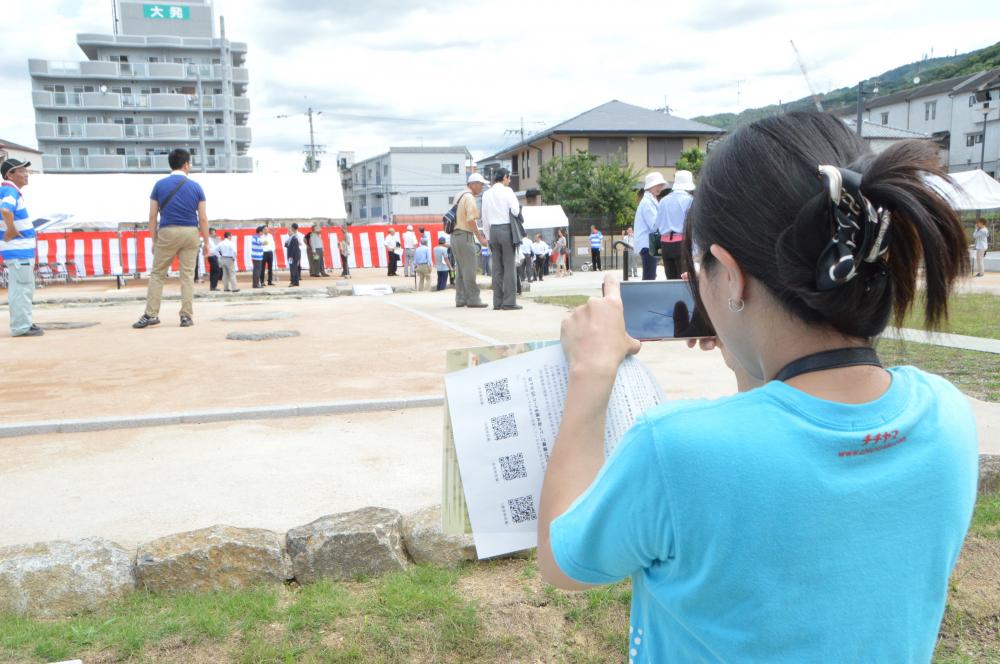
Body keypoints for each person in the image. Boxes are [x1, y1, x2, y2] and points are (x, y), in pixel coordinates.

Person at [538, 112, 976, 662]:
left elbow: (564, 560)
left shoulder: (675, 449)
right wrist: (750, 358)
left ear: (730, 271)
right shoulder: (948, 416)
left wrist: (590, 373)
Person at [133, 148, 210, 329]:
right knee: (187, 275)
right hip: (191, 232)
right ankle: (186, 316)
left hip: (167, 232)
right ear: (185, 165)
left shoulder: (159, 185)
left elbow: (152, 216)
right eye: (189, 163)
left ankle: (151, 314)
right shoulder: (196, 187)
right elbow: (203, 218)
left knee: (158, 274)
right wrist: (207, 242)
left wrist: (153, 239)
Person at [0, 158, 42, 337]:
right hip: (19, 252)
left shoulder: (10, 191)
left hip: (19, 251)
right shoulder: (10, 190)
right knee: (21, 289)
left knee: (23, 288)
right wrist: (11, 230)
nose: (26, 174)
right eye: (22, 171)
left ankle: (24, 322)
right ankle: (21, 327)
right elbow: (5, 210)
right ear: (10, 174)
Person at [481, 168, 521, 310]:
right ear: (504, 177)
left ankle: (497, 302)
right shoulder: (507, 191)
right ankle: (509, 302)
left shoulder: (486, 194)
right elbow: (515, 210)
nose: (509, 181)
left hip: (493, 231)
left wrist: (487, 236)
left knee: (496, 268)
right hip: (506, 229)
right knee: (509, 267)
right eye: (509, 178)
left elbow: (484, 217)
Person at [452, 173, 490, 308]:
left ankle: (460, 298)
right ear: (473, 184)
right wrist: (480, 237)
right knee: (470, 269)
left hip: (455, 236)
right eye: (481, 185)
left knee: (461, 270)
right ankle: (474, 299)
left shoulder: (459, 195)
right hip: (464, 235)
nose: (482, 188)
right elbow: (471, 219)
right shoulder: (469, 197)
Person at [655, 169, 696, 279]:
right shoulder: (689, 200)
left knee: (670, 279)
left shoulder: (663, 201)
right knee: (685, 280)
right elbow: (693, 225)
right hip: (682, 243)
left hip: (665, 245)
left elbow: (657, 224)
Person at [633, 172, 668, 280]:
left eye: (661, 185)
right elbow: (653, 226)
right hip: (647, 245)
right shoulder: (647, 203)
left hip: (649, 244)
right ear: (650, 186)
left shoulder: (651, 200)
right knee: (649, 276)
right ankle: (645, 296)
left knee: (650, 274)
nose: (660, 188)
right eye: (657, 185)